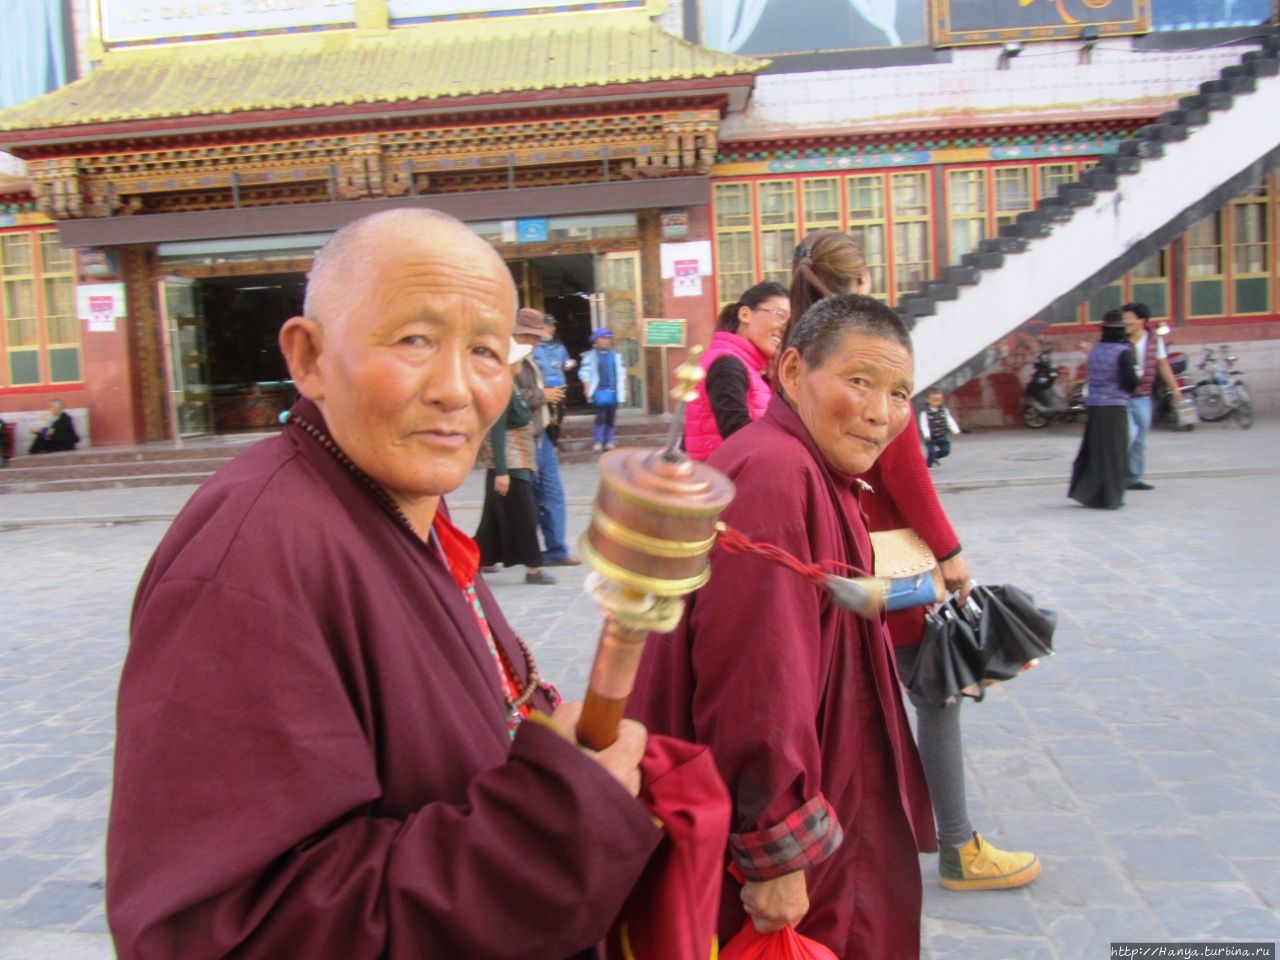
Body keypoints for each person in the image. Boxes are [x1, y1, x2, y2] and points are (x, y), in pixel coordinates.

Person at [106, 208, 662, 959]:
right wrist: (556, 816)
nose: (455, 389)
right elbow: (227, 931)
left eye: (487, 352)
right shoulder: (255, 558)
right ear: (308, 358)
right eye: (415, 340)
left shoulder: (393, 510)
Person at [631, 293, 937, 959]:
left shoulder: (811, 470)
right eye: (859, 382)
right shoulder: (774, 474)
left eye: (899, 392)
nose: (881, 413)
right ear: (793, 372)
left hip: (828, 789)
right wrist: (777, 851)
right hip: (770, 852)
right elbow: (757, 678)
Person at [791, 228, 1040, 893]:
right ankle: (957, 846)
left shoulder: (793, 355)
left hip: (827, 549)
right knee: (934, 691)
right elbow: (905, 467)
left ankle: (826, 844)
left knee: (830, 699)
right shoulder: (866, 354)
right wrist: (951, 553)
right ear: (861, 281)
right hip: (887, 562)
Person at [475, 336, 558, 585]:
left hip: (516, 460)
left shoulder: (509, 386)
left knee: (493, 519)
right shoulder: (503, 390)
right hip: (511, 463)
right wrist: (501, 471)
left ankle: (474, 559)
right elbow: (496, 432)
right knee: (525, 515)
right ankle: (533, 568)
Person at [683, 281, 789, 460]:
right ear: (746, 314)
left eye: (789, 321)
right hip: (724, 480)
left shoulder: (746, 366)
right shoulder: (728, 365)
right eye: (780, 315)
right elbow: (739, 436)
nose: (784, 327)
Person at [513, 307, 580, 568]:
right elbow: (510, 396)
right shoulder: (512, 360)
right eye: (533, 336)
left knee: (552, 493)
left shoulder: (528, 357)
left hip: (541, 434)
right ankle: (516, 552)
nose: (538, 341)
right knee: (524, 500)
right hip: (522, 436)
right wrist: (544, 396)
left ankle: (557, 548)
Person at [1069, 309, 1140, 510]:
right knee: (1114, 452)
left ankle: (1092, 495)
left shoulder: (1096, 350)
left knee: (1095, 451)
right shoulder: (1123, 352)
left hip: (1094, 405)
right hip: (1114, 407)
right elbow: (1130, 383)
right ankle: (1111, 497)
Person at [1122, 301, 1182, 491]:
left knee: (1140, 439)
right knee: (1128, 435)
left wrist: (1175, 389)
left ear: (1142, 320)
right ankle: (1115, 474)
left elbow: (1163, 365)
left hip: (1143, 397)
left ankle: (1134, 478)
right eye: (1123, 321)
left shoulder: (1154, 340)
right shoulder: (1119, 339)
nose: (1125, 324)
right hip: (1122, 396)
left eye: (1129, 320)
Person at [579, 328, 626, 453]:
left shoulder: (615, 356)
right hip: (600, 392)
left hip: (613, 392)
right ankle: (598, 441)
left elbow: (622, 372)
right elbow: (585, 373)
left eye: (607, 338)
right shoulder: (590, 356)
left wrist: (624, 387)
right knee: (601, 418)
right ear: (596, 340)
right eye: (603, 338)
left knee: (611, 418)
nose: (606, 341)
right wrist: (587, 387)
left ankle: (609, 441)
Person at [532, 314, 575, 448]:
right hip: (544, 387)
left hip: (559, 385)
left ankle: (553, 442)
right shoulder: (534, 345)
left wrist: (570, 363)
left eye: (553, 325)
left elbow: (565, 361)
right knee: (546, 417)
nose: (552, 328)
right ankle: (549, 444)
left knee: (558, 417)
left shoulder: (559, 345)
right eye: (548, 325)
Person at [919, 388, 961, 468]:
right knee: (931, 453)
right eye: (935, 400)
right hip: (931, 437)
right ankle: (927, 466)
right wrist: (926, 434)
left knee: (946, 451)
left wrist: (955, 429)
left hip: (942, 435)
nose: (937, 403)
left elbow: (949, 420)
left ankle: (934, 458)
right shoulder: (925, 412)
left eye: (939, 400)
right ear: (928, 400)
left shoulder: (944, 410)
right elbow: (924, 424)